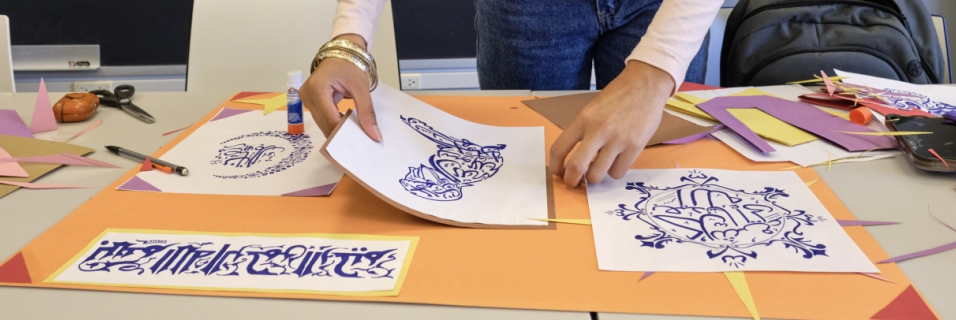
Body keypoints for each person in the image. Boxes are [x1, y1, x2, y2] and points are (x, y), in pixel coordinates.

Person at [304, 0, 721, 188]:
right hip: (525, 8)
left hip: (664, 6)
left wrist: (655, 73)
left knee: (652, 166)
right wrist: (349, 37)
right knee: (531, 172)